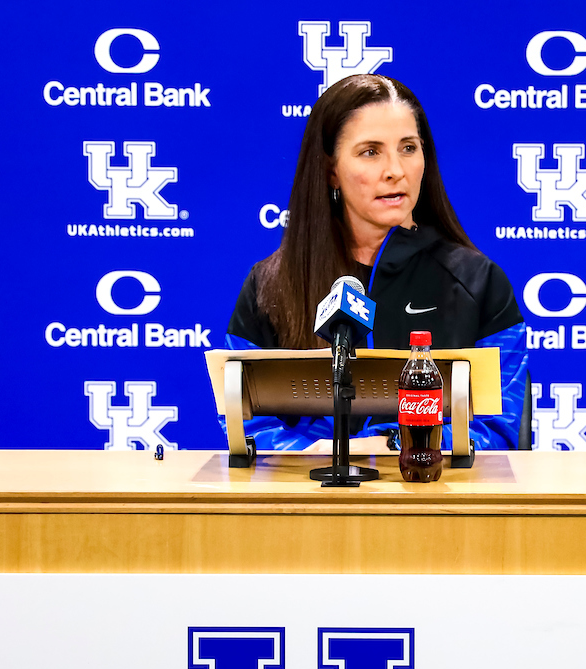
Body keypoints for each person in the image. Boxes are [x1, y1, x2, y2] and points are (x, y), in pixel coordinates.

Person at [225, 74, 527, 453]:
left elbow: (499, 432)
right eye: (370, 151)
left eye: (408, 148)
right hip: (309, 502)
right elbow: (245, 425)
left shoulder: (479, 282)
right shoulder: (270, 283)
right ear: (331, 169)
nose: (395, 170)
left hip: (435, 500)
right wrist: (309, 457)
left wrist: (391, 444)